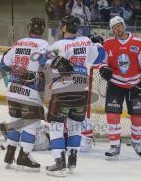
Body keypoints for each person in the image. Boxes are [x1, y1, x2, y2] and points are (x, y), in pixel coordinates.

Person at [45, 15, 105, 177]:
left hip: (63, 90)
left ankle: (58, 162)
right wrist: (97, 42)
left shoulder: (58, 44)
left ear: (64, 27)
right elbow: (100, 57)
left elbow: (45, 64)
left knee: (56, 126)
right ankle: (72, 159)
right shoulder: (86, 41)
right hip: (82, 89)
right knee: (75, 126)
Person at [99, 16, 141, 160]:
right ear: (112, 30)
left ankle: (136, 142)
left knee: (137, 117)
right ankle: (114, 145)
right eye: (114, 27)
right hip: (115, 84)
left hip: (135, 84)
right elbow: (101, 61)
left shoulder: (140, 42)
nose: (117, 29)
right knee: (112, 116)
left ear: (124, 25)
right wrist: (103, 68)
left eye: (119, 25)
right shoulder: (108, 44)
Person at [0, 17, 48, 171]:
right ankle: (24, 156)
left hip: (13, 89)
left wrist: (12, 54)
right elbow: (46, 65)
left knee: (16, 121)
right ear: (42, 29)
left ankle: (10, 153)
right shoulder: (43, 45)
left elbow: (3, 65)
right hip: (30, 90)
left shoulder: (18, 43)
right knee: (32, 124)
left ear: (29, 28)